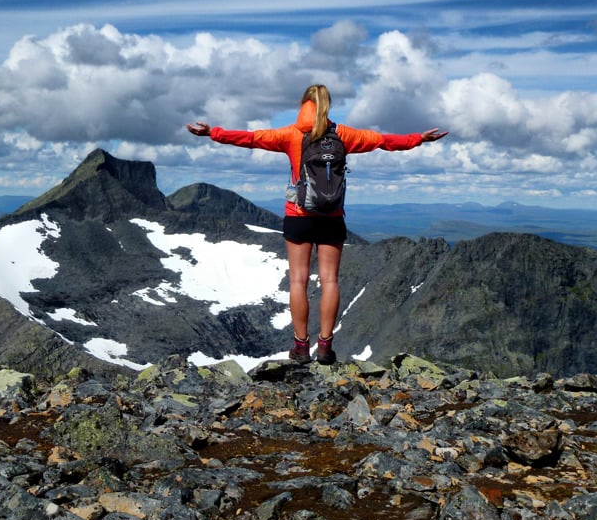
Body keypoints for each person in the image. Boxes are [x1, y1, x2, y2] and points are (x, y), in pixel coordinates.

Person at [186, 84, 448, 365]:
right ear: (328, 105)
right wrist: (417, 139)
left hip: (298, 215)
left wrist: (213, 133)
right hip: (332, 218)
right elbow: (382, 140)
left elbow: (251, 138)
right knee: (330, 280)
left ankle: (300, 346)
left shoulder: (290, 134)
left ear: (303, 104)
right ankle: (325, 346)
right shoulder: (343, 134)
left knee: (298, 280)